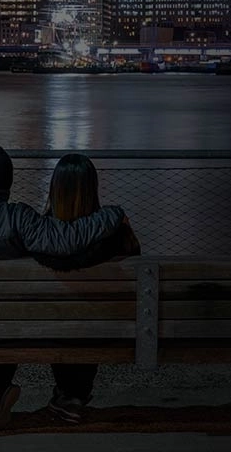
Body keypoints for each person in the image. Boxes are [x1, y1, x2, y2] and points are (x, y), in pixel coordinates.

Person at [0, 146, 129, 431]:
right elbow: (65, 241)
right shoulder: (18, 218)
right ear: (8, 182)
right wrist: (111, 215)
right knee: (3, 321)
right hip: (14, 324)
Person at [31, 154, 142, 424]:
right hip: (106, 327)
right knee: (89, 313)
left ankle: (68, 395)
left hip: (48, 328)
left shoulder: (37, 236)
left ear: (54, 188)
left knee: (63, 314)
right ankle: (73, 396)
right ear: (93, 188)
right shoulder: (118, 235)